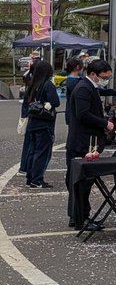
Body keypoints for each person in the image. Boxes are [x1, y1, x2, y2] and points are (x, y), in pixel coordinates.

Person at [66, 60, 115, 230]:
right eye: (104, 77)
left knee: (81, 183)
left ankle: (78, 216)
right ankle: (81, 218)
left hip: (88, 141)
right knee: (81, 182)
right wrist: (104, 123)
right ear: (93, 74)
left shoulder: (89, 87)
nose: (106, 80)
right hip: (83, 142)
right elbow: (83, 114)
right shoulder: (83, 88)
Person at [21, 59, 59, 189]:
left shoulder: (31, 85)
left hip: (33, 121)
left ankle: (30, 178)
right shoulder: (47, 85)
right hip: (44, 122)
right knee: (42, 152)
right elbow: (55, 101)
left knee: (32, 150)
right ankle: (37, 179)